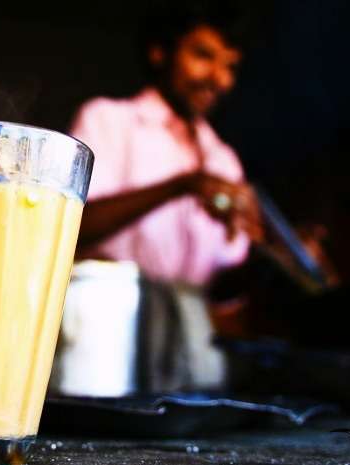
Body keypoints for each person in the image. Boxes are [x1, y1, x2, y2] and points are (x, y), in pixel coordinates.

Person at [70, 5, 263, 287]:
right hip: (104, 310)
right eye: (203, 56)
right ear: (159, 52)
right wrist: (183, 185)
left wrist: (276, 252)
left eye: (230, 66)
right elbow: (73, 226)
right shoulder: (108, 119)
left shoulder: (224, 159)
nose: (219, 79)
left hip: (188, 322)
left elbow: (225, 279)